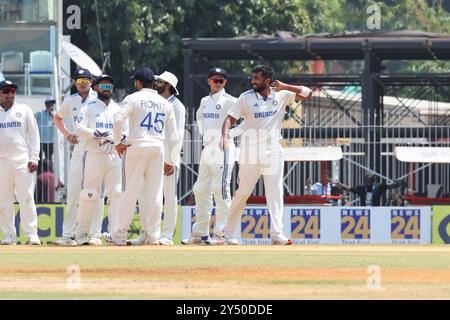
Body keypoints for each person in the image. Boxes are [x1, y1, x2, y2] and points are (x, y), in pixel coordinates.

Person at [220, 65, 313, 245]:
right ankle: (229, 231)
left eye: (257, 78)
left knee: (275, 192)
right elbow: (230, 118)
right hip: (250, 151)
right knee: (243, 192)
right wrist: (224, 135)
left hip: (273, 149)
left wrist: (286, 87)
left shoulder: (282, 94)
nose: (253, 81)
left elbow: (308, 93)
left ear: (268, 80)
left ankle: (277, 234)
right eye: (252, 77)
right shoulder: (245, 97)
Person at [108, 67, 178, 246]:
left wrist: (118, 142)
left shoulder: (133, 98)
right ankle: (154, 236)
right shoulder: (165, 103)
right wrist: (171, 159)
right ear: (154, 83)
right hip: (158, 147)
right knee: (155, 194)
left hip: (136, 146)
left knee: (129, 191)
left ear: (138, 83)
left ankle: (119, 236)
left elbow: (118, 120)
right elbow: (174, 136)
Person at [182, 66, 238, 245]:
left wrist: (228, 135)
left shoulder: (231, 101)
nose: (218, 83)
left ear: (225, 82)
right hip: (208, 149)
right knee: (200, 189)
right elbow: (199, 117)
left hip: (223, 148)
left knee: (220, 190)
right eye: (215, 80)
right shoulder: (205, 101)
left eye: (221, 80)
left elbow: (247, 122)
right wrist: (207, 135)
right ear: (209, 81)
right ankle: (200, 233)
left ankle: (224, 233)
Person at [129, 71, 186, 246]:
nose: (156, 83)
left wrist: (172, 160)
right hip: (153, 154)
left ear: (168, 85)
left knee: (169, 196)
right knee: (145, 194)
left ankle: (167, 234)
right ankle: (147, 232)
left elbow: (179, 135)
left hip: (168, 157)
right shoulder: (158, 102)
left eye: (160, 81)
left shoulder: (177, 106)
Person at [53, 69, 103, 246]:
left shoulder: (99, 99)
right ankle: (68, 234)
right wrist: (67, 135)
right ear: (75, 82)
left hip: (96, 150)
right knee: (74, 191)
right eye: (79, 79)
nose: (82, 82)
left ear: (91, 82)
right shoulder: (71, 101)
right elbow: (58, 118)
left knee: (95, 191)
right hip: (79, 150)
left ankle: (94, 234)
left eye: (86, 79)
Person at [74, 74, 123, 245]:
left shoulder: (119, 109)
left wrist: (116, 138)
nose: (106, 89)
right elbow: (79, 128)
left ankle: (115, 234)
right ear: (95, 88)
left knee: (116, 193)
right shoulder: (88, 107)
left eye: (109, 86)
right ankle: (86, 235)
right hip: (94, 154)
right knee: (90, 194)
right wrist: (96, 133)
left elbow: (126, 131)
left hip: (114, 156)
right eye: (103, 86)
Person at [0, 80, 41, 245]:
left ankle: (32, 235)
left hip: (23, 161)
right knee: (4, 199)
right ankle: (9, 235)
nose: (10, 94)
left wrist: (34, 158)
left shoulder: (24, 110)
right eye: (6, 91)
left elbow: (34, 135)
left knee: (26, 197)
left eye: (12, 91)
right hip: (2, 162)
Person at [337, 174, 404, 206]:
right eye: (366, 180)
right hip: (364, 210)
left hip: (375, 210)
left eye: (369, 180)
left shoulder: (378, 187)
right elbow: (349, 189)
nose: (368, 182)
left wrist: (399, 184)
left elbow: (389, 186)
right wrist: (341, 185)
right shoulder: (362, 188)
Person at [34, 96, 56, 161]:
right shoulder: (39, 113)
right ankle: (40, 171)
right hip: (40, 141)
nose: (50, 105)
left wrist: (52, 115)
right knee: (38, 159)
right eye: (48, 103)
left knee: (49, 159)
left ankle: (49, 171)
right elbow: (31, 118)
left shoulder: (56, 114)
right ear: (45, 104)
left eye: (52, 103)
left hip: (50, 141)